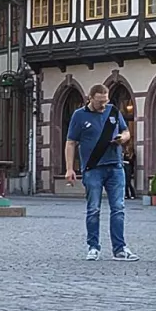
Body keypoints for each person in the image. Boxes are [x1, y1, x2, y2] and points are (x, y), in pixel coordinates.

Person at [63, 83, 137, 260]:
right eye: (99, 102)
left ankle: (120, 249)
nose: (103, 105)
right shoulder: (79, 115)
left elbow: (126, 131)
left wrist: (123, 138)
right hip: (92, 168)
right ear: (90, 98)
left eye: (106, 101)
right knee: (93, 209)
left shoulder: (112, 111)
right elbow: (71, 142)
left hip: (115, 166)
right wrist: (69, 168)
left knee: (118, 208)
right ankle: (93, 247)